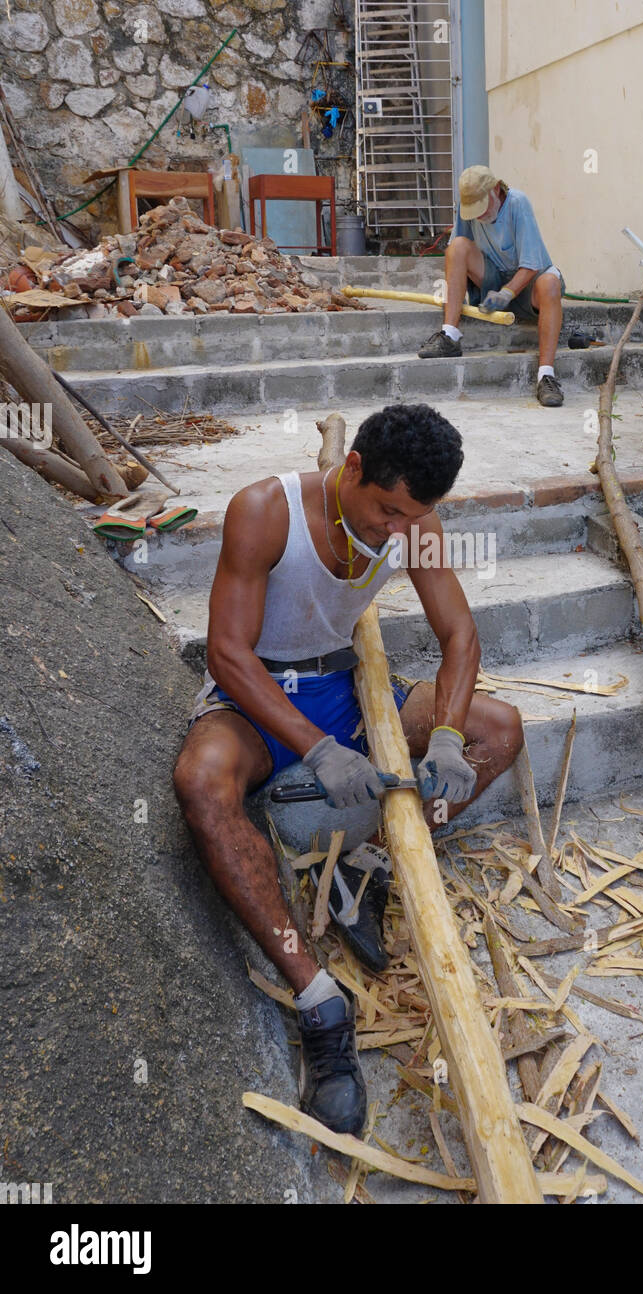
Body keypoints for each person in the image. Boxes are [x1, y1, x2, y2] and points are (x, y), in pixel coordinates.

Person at [172, 404, 524, 1135]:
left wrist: (452, 737)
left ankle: (362, 865)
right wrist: (317, 749)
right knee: (202, 780)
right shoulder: (265, 511)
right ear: (351, 468)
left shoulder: (413, 525)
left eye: (413, 517)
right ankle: (317, 1003)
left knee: (501, 730)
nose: (396, 532)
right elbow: (228, 656)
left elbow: (458, 632)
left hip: (347, 684)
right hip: (261, 692)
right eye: (387, 510)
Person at [417, 165, 567, 407]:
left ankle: (546, 376)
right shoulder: (466, 209)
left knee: (550, 283)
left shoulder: (518, 203)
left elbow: (530, 265)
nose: (478, 216)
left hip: (530, 286)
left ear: (496, 189)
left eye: (481, 208)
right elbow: (459, 254)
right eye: (472, 211)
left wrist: (507, 293)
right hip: (493, 280)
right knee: (455, 247)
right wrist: (454, 297)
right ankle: (450, 335)